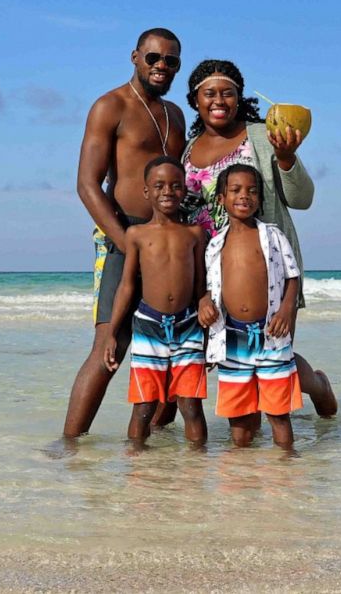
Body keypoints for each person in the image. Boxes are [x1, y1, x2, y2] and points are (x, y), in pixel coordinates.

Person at [182, 58, 336, 416]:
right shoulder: (188, 150)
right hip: (213, 273)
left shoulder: (262, 136)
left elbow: (302, 200)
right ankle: (247, 451)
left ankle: (317, 385)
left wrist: (286, 159)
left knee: (274, 356)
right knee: (232, 361)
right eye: (209, 93)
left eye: (228, 93)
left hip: (265, 269)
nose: (219, 100)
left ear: (239, 99)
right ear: (195, 100)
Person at [62, 28, 188, 438]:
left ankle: (156, 446)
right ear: (135, 57)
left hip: (171, 237)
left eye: (171, 61)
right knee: (109, 344)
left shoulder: (174, 114)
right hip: (125, 234)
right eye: (153, 58)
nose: (161, 67)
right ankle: (70, 445)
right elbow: (87, 184)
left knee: (175, 342)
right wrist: (124, 241)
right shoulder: (110, 106)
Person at [102, 157, 209, 444]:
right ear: (146, 191)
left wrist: (209, 335)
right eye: (159, 185)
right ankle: (138, 474)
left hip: (189, 327)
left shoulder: (195, 234)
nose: (168, 191)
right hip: (148, 326)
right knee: (144, 407)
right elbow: (126, 285)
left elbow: (201, 285)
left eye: (176, 185)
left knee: (191, 406)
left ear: (184, 190)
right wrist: (112, 332)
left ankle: (196, 475)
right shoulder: (136, 234)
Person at [198, 163, 299, 447]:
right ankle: (242, 479)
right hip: (233, 338)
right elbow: (211, 285)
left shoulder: (272, 236)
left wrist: (286, 310)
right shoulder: (216, 244)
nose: (245, 196)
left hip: (270, 336)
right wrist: (204, 300)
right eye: (236, 190)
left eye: (252, 191)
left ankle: (286, 468)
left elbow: (293, 276)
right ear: (221, 199)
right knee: (239, 424)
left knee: (278, 414)